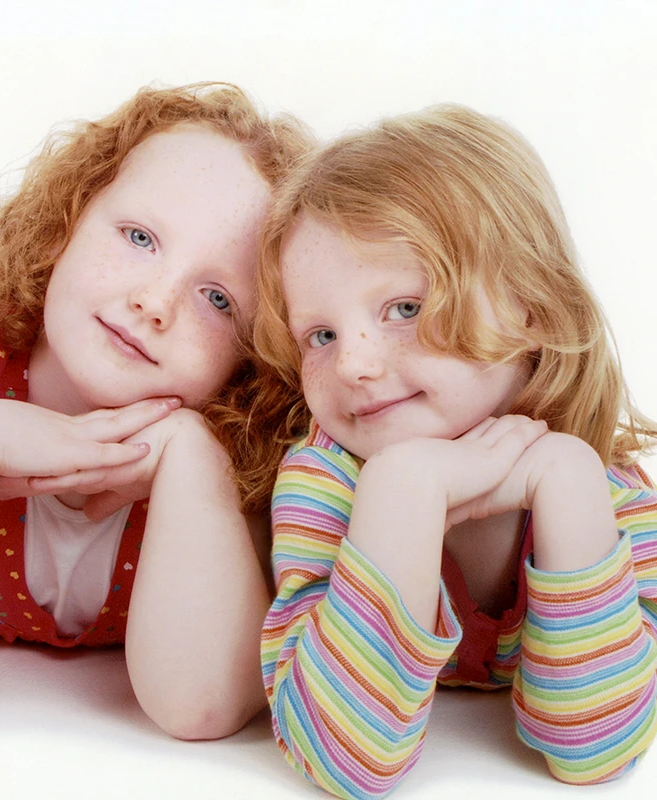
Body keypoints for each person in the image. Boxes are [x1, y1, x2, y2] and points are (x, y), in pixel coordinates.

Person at [0, 82, 311, 744]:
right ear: (63, 226)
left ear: (254, 355)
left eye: (217, 298)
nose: (155, 301)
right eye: (138, 237)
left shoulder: (236, 451)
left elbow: (200, 705)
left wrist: (190, 451)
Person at [253, 104, 657, 798]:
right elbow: (344, 760)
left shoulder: (610, 494)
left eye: (404, 309)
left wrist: (567, 477)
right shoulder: (325, 480)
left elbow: (597, 753)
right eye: (320, 335)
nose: (352, 364)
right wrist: (405, 488)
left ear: (531, 306)